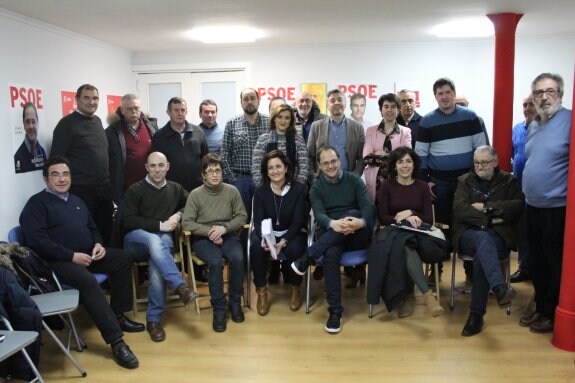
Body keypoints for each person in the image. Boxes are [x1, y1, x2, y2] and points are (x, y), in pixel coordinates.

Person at [19, 156, 143, 369]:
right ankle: (116, 341)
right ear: (45, 178)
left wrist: (98, 244)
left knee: (123, 258)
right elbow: (37, 242)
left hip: (87, 255)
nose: (61, 179)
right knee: (87, 281)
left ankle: (118, 314)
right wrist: (71, 256)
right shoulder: (36, 204)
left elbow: (92, 227)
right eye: (55, 174)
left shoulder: (76, 200)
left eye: (65, 174)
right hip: (56, 263)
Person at [291, 146, 374, 334]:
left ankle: (309, 256)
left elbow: (367, 208)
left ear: (340, 160)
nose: (330, 166)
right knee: (330, 253)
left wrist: (360, 222)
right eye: (325, 163)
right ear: (319, 166)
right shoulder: (316, 187)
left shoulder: (354, 180)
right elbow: (319, 214)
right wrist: (332, 223)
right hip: (330, 234)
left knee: (353, 212)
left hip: (357, 234)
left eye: (333, 161)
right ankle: (335, 311)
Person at [121, 152, 197, 342]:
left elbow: (192, 203)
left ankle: (153, 321)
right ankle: (180, 286)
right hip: (136, 239)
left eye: (161, 165)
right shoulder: (135, 190)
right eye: (153, 166)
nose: (157, 170)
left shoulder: (175, 188)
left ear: (168, 166)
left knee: (157, 263)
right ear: (146, 167)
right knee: (156, 241)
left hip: (162, 242)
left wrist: (177, 215)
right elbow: (127, 221)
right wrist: (159, 226)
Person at [452, 146, 523, 336]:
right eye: (476, 162)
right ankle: (499, 288)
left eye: (484, 162)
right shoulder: (464, 181)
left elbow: (517, 206)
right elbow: (461, 211)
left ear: (495, 162)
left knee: (483, 254)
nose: (480, 166)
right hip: (468, 234)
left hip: (498, 236)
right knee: (483, 240)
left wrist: (486, 207)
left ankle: (476, 316)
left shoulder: (509, 181)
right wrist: (491, 219)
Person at [520, 73, 571, 334]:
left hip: (557, 209)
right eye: (539, 92)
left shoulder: (570, 120)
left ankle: (551, 313)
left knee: (554, 263)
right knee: (536, 262)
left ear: (560, 94)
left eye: (550, 91)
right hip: (533, 206)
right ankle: (541, 307)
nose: (544, 97)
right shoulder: (535, 124)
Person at [368, 147, 444, 318]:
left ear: (414, 164)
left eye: (408, 161)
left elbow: (428, 219)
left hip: (418, 233)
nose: (404, 165)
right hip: (393, 231)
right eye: (400, 162)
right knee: (403, 245)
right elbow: (383, 217)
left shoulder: (423, 187)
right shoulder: (387, 186)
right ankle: (424, 295)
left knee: (405, 244)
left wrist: (411, 212)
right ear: (394, 166)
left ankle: (408, 295)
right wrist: (401, 220)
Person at [182, 153, 247, 333]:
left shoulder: (232, 191)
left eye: (217, 170)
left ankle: (234, 302)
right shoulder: (195, 195)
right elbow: (186, 222)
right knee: (215, 262)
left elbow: (242, 216)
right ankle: (219, 308)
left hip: (227, 234)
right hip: (204, 238)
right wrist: (210, 231)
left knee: (238, 258)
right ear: (203, 174)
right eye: (210, 171)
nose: (215, 174)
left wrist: (224, 229)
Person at [415, 78, 487, 227]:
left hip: (468, 179)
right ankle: (444, 249)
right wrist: (425, 181)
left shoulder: (471, 117)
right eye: (440, 93)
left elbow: (481, 148)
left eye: (448, 92)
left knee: (466, 220)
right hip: (439, 182)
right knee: (443, 222)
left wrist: (477, 176)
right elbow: (420, 153)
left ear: (454, 94)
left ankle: (463, 249)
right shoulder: (427, 121)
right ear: (435, 96)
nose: (444, 96)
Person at [51, 84, 114, 245]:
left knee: (106, 234)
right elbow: (56, 161)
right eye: (86, 98)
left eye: (95, 98)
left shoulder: (98, 121)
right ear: (77, 99)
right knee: (86, 236)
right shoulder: (66, 125)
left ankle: (105, 267)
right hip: (81, 192)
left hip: (104, 191)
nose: (91, 102)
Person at [250, 150, 308, 315]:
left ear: (286, 168)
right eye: (270, 168)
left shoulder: (298, 189)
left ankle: (296, 289)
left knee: (295, 248)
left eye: (278, 166)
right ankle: (261, 291)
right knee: (255, 247)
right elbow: (258, 221)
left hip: (292, 233)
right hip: (267, 234)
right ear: (266, 172)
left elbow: (299, 221)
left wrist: (284, 240)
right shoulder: (260, 191)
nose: (275, 171)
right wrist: (264, 239)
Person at [221, 88, 270, 217]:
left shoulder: (270, 122)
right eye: (246, 99)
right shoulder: (232, 124)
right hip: (241, 179)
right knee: (242, 217)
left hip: (265, 178)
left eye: (252, 98)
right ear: (241, 102)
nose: (249, 102)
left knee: (265, 216)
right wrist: (233, 179)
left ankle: (263, 238)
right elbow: (225, 154)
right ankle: (243, 238)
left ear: (259, 101)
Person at [106, 93, 158, 203]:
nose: (134, 111)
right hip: (126, 191)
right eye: (129, 109)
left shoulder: (152, 127)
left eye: (136, 108)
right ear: (122, 110)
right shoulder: (112, 132)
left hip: (151, 187)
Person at [151, 97, 208, 192]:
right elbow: (156, 165)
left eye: (183, 110)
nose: (180, 113)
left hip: (198, 189)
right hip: (171, 191)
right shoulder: (159, 136)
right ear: (168, 112)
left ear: (186, 111)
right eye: (176, 110)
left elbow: (205, 160)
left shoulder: (198, 132)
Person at [363, 93, 412, 203]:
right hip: (375, 181)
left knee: (396, 212)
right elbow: (366, 158)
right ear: (381, 110)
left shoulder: (406, 132)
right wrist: (394, 156)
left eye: (393, 106)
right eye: (386, 106)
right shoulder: (371, 130)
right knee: (375, 214)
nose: (389, 110)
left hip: (398, 180)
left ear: (398, 110)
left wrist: (380, 154)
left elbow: (406, 158)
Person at [510, 95, 537, 283]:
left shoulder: (545, 129)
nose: (527, 108)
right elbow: (513, 154)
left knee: (539, 230)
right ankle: (524, 267)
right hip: (520, 188)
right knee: (523, 230)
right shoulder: (518, 129)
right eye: (524, 105)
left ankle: (538, 268)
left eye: (530, 104)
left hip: (540, 189)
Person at [307, 89, 365, 177]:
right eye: (332, 101)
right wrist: (313, 177)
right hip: (322, 180)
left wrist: (355, 176)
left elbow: (362, 157)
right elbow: (309, 155)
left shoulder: (358, 128)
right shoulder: (316, 127)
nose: (336, 102)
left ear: (345, 104)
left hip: (348, 180)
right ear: (327, 106)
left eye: (340, 100)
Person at [251, 104, 309, 186]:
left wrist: (296, 189)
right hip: (268, 188)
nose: (283, 121)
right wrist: (264, 189)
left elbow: (304, 168)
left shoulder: (298, 140)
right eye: (280, 117)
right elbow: (256, 168)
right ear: (274, 119)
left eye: (287, 118)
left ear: (291, 121)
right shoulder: (263, 140)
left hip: (294, 188)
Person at [14, 102, 47, 173]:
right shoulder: (18, 156)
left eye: (33, 121)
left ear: (37, 123)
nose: (31, 126)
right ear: (24, 125)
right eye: (27, 122)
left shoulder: (42, 152)